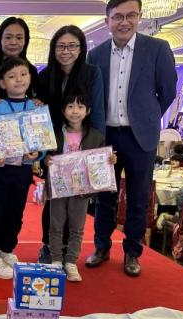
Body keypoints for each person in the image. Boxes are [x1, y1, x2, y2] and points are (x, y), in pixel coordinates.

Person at [85, 0, 177, 277]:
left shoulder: (157, 49)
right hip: (107, 136)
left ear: (140, 17)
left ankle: (132, 253)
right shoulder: (96, 54)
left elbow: (167, 91)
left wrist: (146, 117)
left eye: (130, 16)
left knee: (138, 198)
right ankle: (101, 247)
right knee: (104, 197)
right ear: (107, 21)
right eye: (118, 17)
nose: (124, 22)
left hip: (140, 138)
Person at [35, 25, 105, 264]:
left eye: (72, 46)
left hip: (82, 144)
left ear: (81, 48)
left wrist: (97, 149)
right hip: (55, 146)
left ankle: (69, 251)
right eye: (61, 46)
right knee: (54, 200)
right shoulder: (45, 76)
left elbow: (97, 112)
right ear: (53, 49)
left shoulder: (91, 73)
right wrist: (43, 152)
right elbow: (40, 114)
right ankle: (49, 247)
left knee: (77, 200)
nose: (66, 51)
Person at [0, 57, 41, 279]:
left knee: (16, 213)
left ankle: (6, 249)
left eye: (23, 74)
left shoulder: (35, 108)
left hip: (23, 171)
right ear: (3, 83)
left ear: (30, 77)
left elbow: (41, 140)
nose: (19, 80)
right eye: (12, 76)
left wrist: (37, 153)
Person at [45, 89, 115, 282]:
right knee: (56, 225)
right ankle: (56, 260)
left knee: (77, 227)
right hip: (59, 187)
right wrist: (47, 160)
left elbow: (102, 159)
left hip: (81, 190)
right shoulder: (55, 133)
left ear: (88, 111)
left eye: (80, 106)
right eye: (70, 106)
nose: (75, 111)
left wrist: (110, 159)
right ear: (63, 110)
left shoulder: (95, 136)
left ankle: (71, 262)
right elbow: (46, 155)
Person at [0, 17, 38, 102]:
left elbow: (33, 98)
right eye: (8, 37)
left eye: (19, 38)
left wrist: (37, 102)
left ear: (25, 41)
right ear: (0, 39)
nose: (13, 42)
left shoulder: (31, 70)